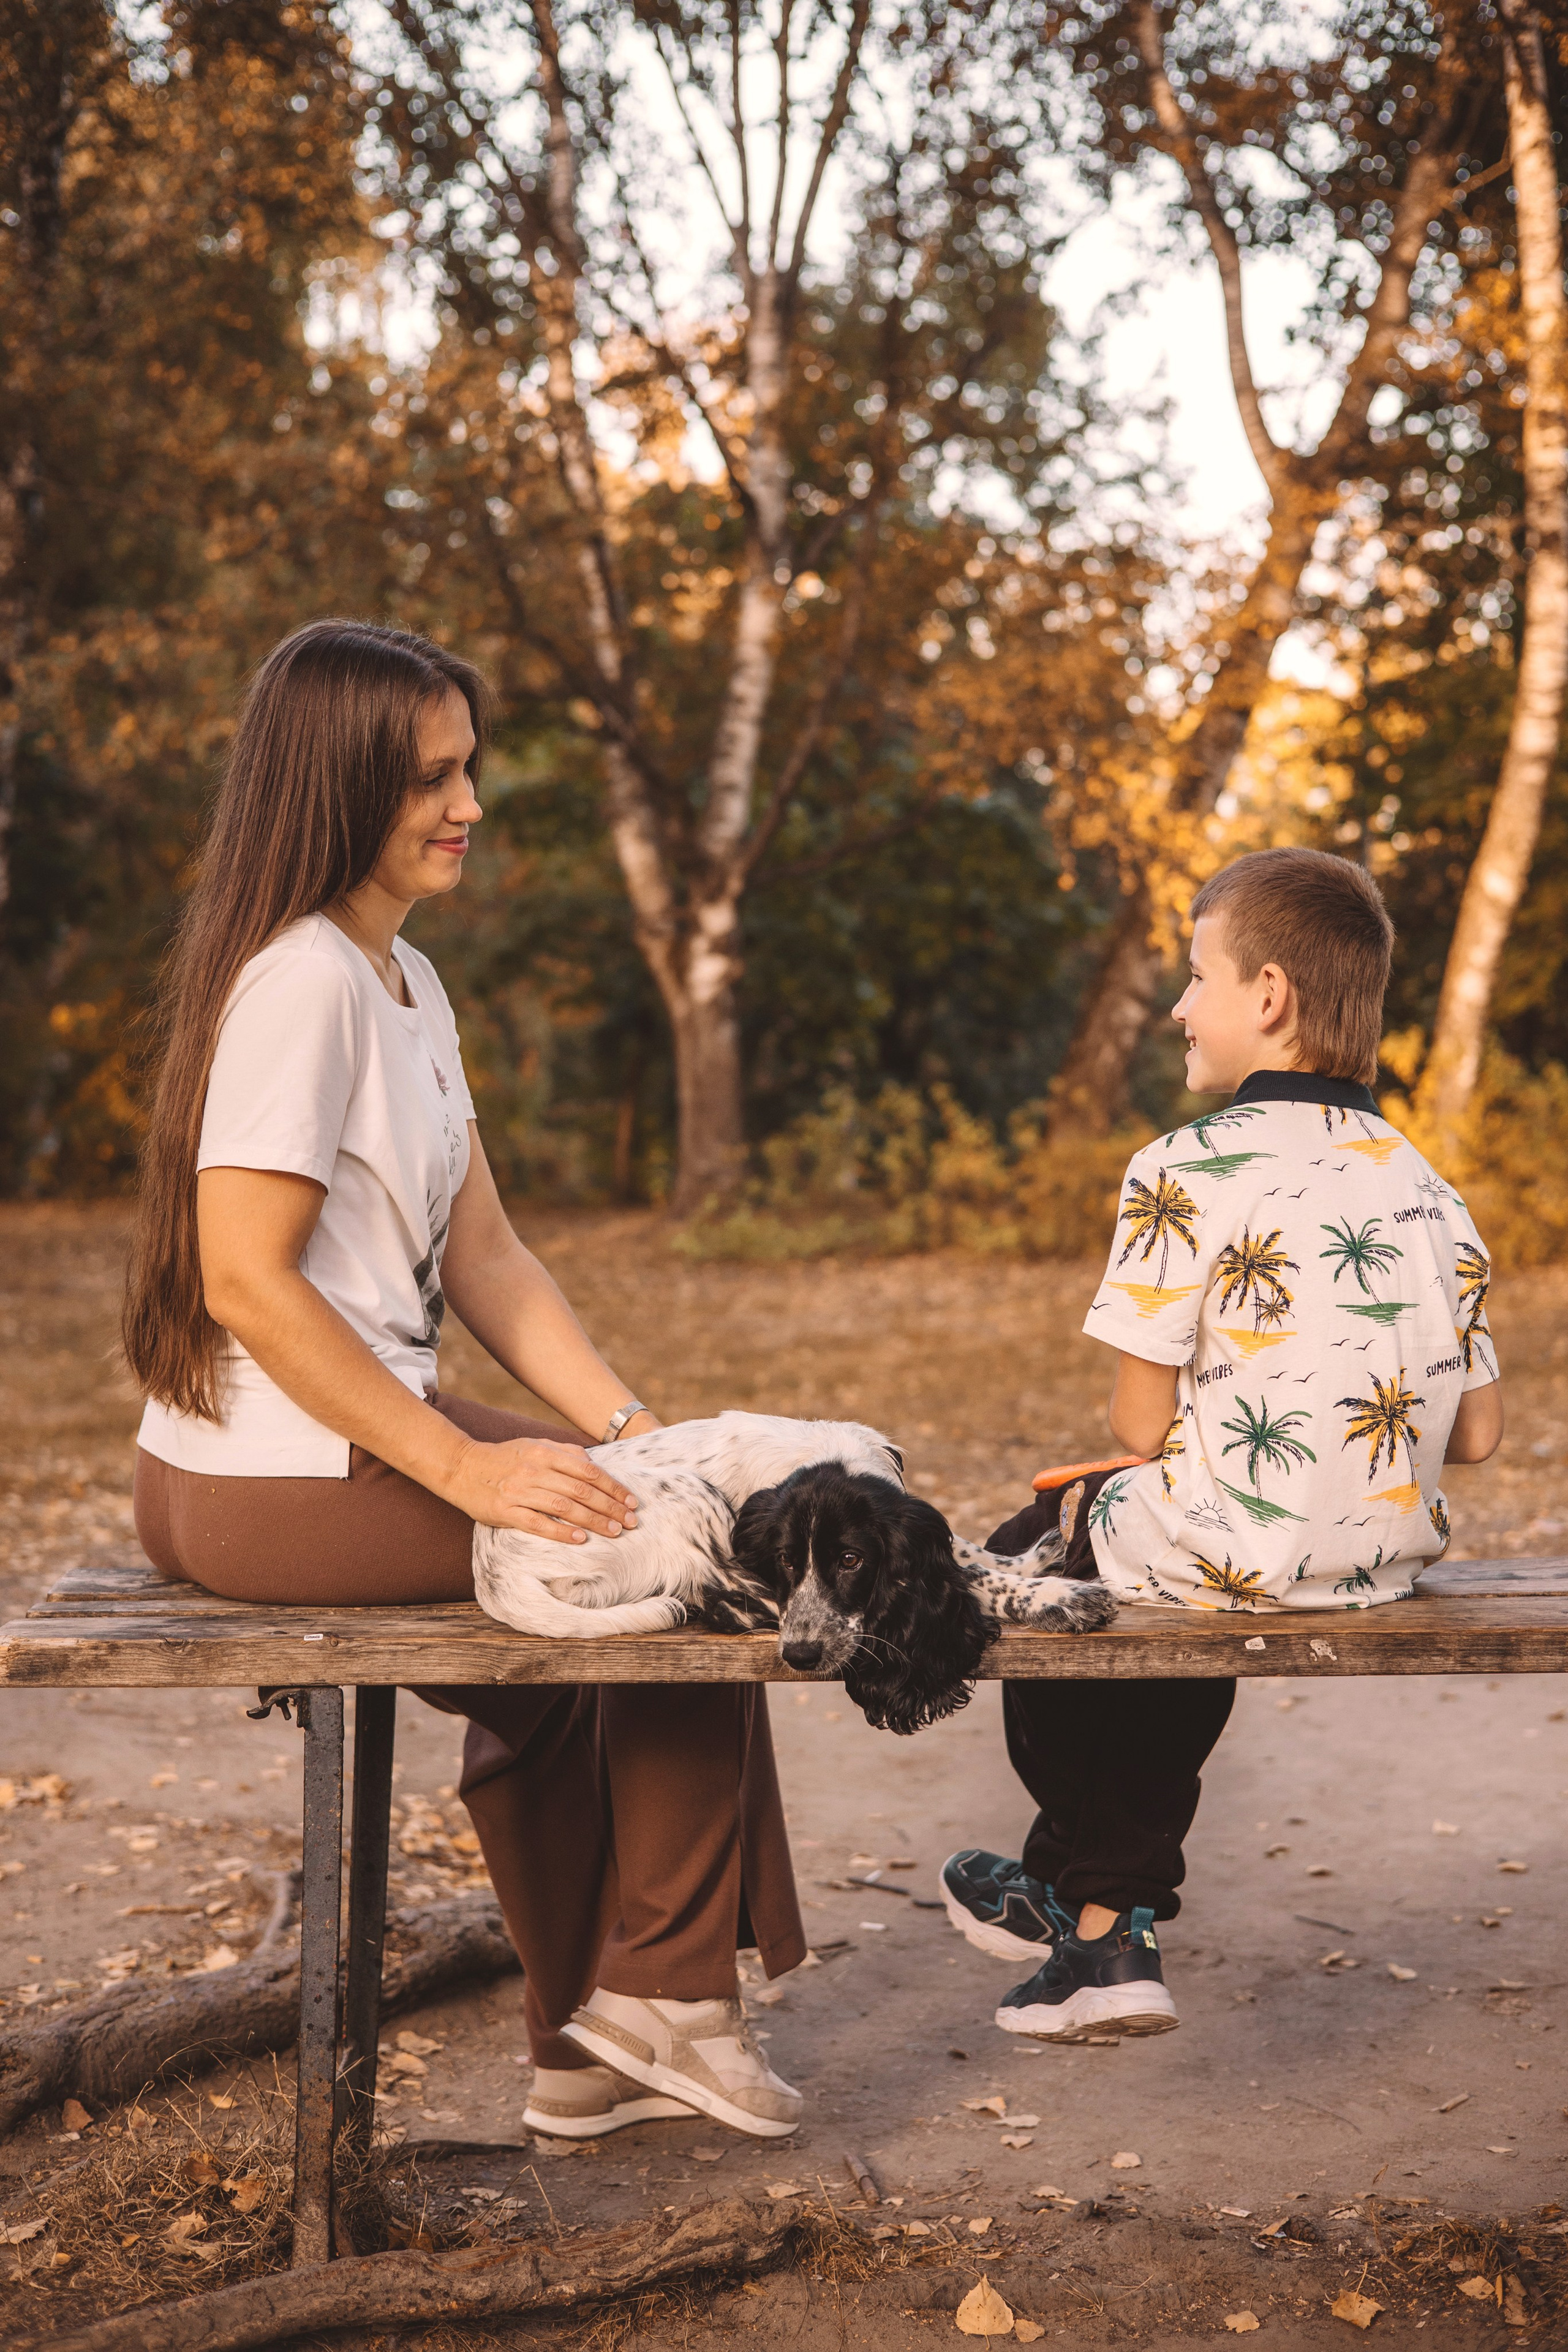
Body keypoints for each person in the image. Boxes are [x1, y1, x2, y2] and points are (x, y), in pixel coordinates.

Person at [123, 618, 805, 2140]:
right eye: (433, 777)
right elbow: (245, 1277)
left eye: (469, 770)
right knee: (686, 1566)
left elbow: (487, 1256)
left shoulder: (403, 983)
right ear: (338, 785)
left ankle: (586, 2049)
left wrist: (637, 1431)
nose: (469, 805)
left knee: (651, 1527)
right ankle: (672, 1999)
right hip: (272, 1480)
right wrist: (466, 1470)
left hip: (313, 1453)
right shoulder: (302, 983)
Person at [941, 847, 1504, 2043]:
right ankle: (1098, 1923)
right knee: (1174, 1568)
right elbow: (1483, 1434)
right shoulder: (1428, 1190)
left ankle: (1094, 1905)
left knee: (1026, 1552)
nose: (1175, 1006)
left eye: (1193, 976)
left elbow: (1136, 1429)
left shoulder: (1180, 1170)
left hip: (1231, 1541)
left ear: (1266, 996)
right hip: (1379, 1559)